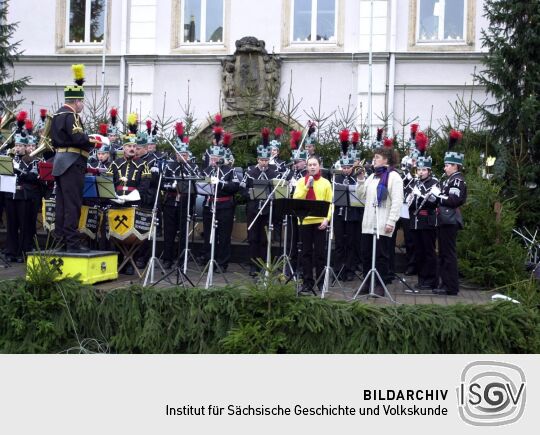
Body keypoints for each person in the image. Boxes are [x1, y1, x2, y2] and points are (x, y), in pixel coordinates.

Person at [51, 64, 92, 253]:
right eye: (82, 102)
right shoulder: (72, 115)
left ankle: (60, 241)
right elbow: (78, 137)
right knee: (73, 203)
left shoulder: (57, 115)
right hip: (73, 162)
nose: (83, 106)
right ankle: (73, 243)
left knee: (61, 203)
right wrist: (93, 141)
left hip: (60, 162)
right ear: (77, 101)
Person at [356, 145, 404, 296]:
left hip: (383, 222)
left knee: (381, 255)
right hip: (368, 222)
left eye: (377, 157)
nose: (373, 160)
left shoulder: (394, 177)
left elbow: (397, 201)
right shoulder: (372, 176)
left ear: (386, 160)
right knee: (366, 253)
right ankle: (367, 281)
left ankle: (379, 285)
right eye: (374, 157)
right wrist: (360, 179)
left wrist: (391, 221)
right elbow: (361, 195)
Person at [433, 130, 467, 296]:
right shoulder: (450, 180)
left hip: (450, 221)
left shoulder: (457, 180)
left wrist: (438, 195)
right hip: (444, 220)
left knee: (448, 254)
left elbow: (454, 200)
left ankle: (451, 287)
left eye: (447, 165)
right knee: (444, 254)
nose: (445, 167)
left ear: (455, 166)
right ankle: (444, 283)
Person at [292, 155, 332, 294]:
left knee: (320, 253)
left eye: (315, 164)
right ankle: (307, 282)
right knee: (305, 253)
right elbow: (296, 199)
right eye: (310, 165)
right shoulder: (300, 181)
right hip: (304, 221)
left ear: (319, 166)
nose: (312, 167)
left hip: (319, 221)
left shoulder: (326, 183)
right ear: (307, 167)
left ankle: (320, 282)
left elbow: (330, 203)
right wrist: (306, 187)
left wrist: (327, 219)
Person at [161, 139, 199, 269]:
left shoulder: (193, 167)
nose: (182, 156)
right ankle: (168, 259)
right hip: (171, 202)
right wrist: (172, 186)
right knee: (169, 231)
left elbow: (197, 184)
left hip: (186, 202)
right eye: (179, 154)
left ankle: (182, 259)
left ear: (188, 155)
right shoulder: (169, 166)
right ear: (176, 155)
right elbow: (163, 183)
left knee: (183, 232)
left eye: (184, 154)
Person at [201, 143, 239, 273]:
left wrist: (221, 184)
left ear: (221, 158)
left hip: (225, 206)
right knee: (208, 235)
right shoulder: (206, 171)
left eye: (215, 158)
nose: (212, 160)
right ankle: (209, 260)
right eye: (211, 157)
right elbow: (200, 187)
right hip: (209, 204)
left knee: (224, 236)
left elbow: (235, 187)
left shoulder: (229, 170)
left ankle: (222, 263)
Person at [243, 143, 279, 276]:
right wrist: (251, 194)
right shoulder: (250, 172)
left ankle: (264, 265)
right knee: (253, 238)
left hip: (267, 211)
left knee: (265, 239)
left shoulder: (274, 173)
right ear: (258, 160)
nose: (264, 163)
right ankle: (253, 266)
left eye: (266, 160)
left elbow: (278, 190)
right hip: (253, 210)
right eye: (261, 160)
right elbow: (242, 188)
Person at [407, 154, 439, 291]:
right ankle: (422, 279)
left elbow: (434, 203)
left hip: (427, 222)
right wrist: (410, 197)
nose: (421, 172)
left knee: (428, 251)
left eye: (424, 170)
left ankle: (431, 280)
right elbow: (408, 203)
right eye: (419, 170)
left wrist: (421, 197)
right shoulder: (414, 183)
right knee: (418, 251)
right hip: (415, 221)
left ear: (429, 171)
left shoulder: (434, 183)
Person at [333, 153, 363, 281]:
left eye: (348, 167)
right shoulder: (337, 179)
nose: (345, 170)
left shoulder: (356, 180)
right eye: (344, 168)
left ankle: (350, 269)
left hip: (353, 216)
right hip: (339, 215)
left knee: (351, 243)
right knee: (339, 243)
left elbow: (361, 198)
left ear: (352, 167)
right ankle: (339, 269)